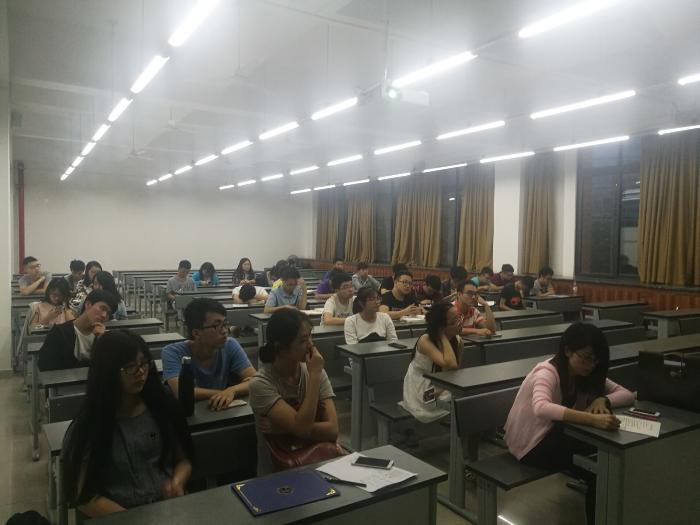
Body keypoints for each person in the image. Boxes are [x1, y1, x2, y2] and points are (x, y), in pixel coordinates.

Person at [505, 323, 634, 525]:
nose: (590, 365)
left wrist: (603, 400)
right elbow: (541, 407)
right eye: (585, 357)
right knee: (599, 470)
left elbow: (627, 395)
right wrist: (592, 419)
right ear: (567, 351)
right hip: (531, 445)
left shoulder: (585, 373)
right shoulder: (547, 372)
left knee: (606, 458)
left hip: (555, 434)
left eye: (595, 360)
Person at [62, 330, 193, 518]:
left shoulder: (162, 405)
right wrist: (134, 519)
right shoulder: (90, 425)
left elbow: (183, 460)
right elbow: (83, 496)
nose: (141, 372)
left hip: (167, 511)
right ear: (107, 371)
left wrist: (176, 483)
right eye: (130, 367)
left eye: (144, 363)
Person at [249, 309, 339, 475]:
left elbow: (332, 430)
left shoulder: (315, 370)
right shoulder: (261, 383)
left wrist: (285, 428)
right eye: (303, 340)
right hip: (278, 473)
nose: (311, 345)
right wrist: (314, 377)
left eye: (310, 336)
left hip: (319, 463)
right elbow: (302, 429)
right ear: (281, 348)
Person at [162, 298, 256, 411]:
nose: (225, 331)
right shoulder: (173, 352)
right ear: (196, 333)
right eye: (216, 326)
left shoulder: (230, 344)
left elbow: (255, 380)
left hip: (220, 412)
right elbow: (180, 392)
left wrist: (232, 390)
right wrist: (225, 393)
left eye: (225, 324)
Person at [401, 301, 464, 423]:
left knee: (469, 399)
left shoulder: (458, 341)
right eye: (454, 321)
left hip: (444, 384)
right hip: (421, 386)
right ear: (441, 327)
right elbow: (450, 364)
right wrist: (443, 336)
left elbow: (455, 371)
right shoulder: (425, 340)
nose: (460, 323)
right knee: (459, 403)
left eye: (459, 317)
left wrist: (443, 388)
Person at [38, 290, 118, 371]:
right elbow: (45, 367)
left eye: (108, 313)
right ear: (88, 304)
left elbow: (110, 367)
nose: (104, 315)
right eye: (102, 308)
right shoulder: (59, 333)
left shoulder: (103, 336)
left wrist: (102, 340)